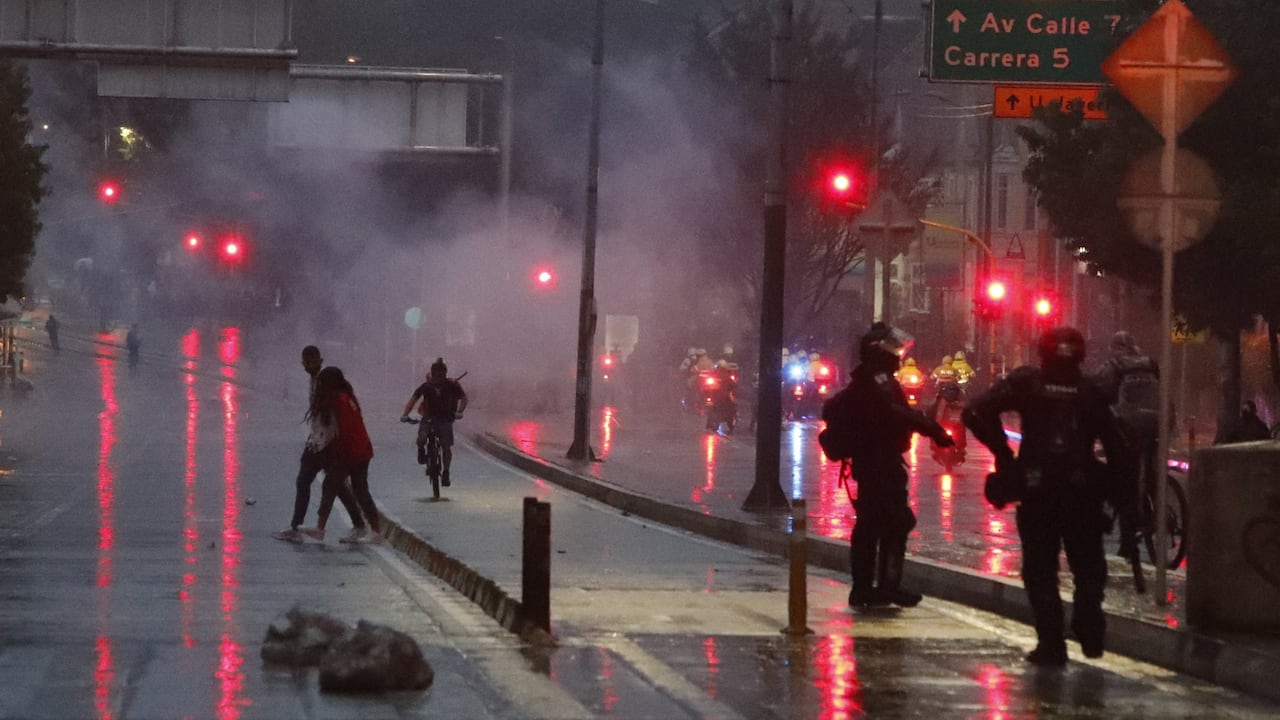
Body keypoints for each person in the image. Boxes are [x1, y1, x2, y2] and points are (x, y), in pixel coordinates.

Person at [963, 326, 1126, 666]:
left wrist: (1005, 456)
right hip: (1080, 493)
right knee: (1088, 566)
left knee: (1040, 570)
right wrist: (1117, 491)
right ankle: (1088, 623)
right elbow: (1118, 446)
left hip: (1039, 492)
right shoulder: (1091, 390)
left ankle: (1053, 643)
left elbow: (976, 411)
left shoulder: (1029, 384)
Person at [824, 322, 953, 608]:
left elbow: (900, 412)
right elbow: (895, 413)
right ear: (878, 351)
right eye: (893, 349)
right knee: (891, 522)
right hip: (878, 463)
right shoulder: (875, 381)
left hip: (879, 462)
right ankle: (880, 587)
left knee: (874, 525)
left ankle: (873, 587)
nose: (899, 354)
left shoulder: (877, 379)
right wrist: (931, 429)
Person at [273, 346, 362, 543]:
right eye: (306, 362)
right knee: (306, 481)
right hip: (316, 441)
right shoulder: (315, 380)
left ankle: (358, 525)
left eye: (312, 361)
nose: (309, 365)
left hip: (328, 444)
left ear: (320, 360)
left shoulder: (326, 381)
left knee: (335, 486)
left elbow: (334, 415)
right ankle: (296, 526)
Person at [1090, 330, 1159, 559]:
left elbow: (1099, 390)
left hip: (1129, 425)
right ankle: (1151, 501)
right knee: (1149, 471)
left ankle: (1128, 541)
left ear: (1116, 347)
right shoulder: (1149, 362)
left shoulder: (1115, 365)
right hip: (1157, 422)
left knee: (1125, 478)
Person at [305, 367, 381, 544]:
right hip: (360, 448)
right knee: (358, 489)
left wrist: (337, 452)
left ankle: (321, 529)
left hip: (351, 451)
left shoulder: (339, 400)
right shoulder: (346, 397)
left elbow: (345, 428)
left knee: (334, 484)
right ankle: (371, 530)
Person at [401, 357, 468, 486]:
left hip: (445, 419)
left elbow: (464, 398)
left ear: (445, 374)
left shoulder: (451, 386)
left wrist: (460, 411)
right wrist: (405, 414)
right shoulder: (426, 387)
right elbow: (413, 400)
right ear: (432, 374)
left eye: (441, 375)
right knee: (421, 438)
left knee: (446, 447)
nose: (439, 378)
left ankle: (446, 472)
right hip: (428, 418)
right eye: (436, 375)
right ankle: (421, 451)